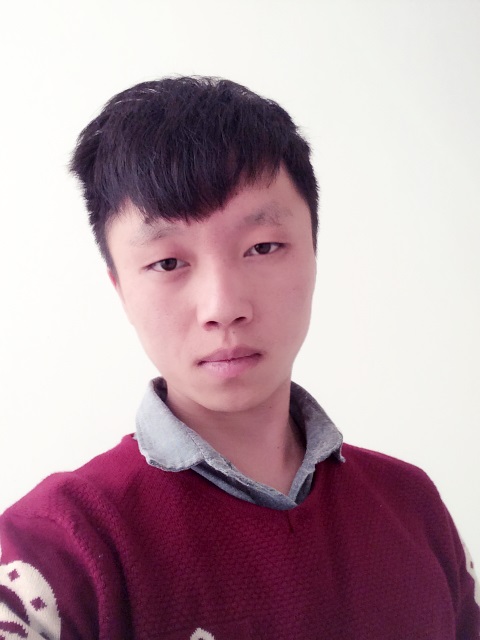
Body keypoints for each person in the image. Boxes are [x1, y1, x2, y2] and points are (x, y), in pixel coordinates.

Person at [0, 76, 478, 640]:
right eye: (167, 263)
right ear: (120, 287)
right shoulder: (52, 553)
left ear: (314, 253)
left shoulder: (414, 508)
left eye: (263, 247)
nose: (223, 308)